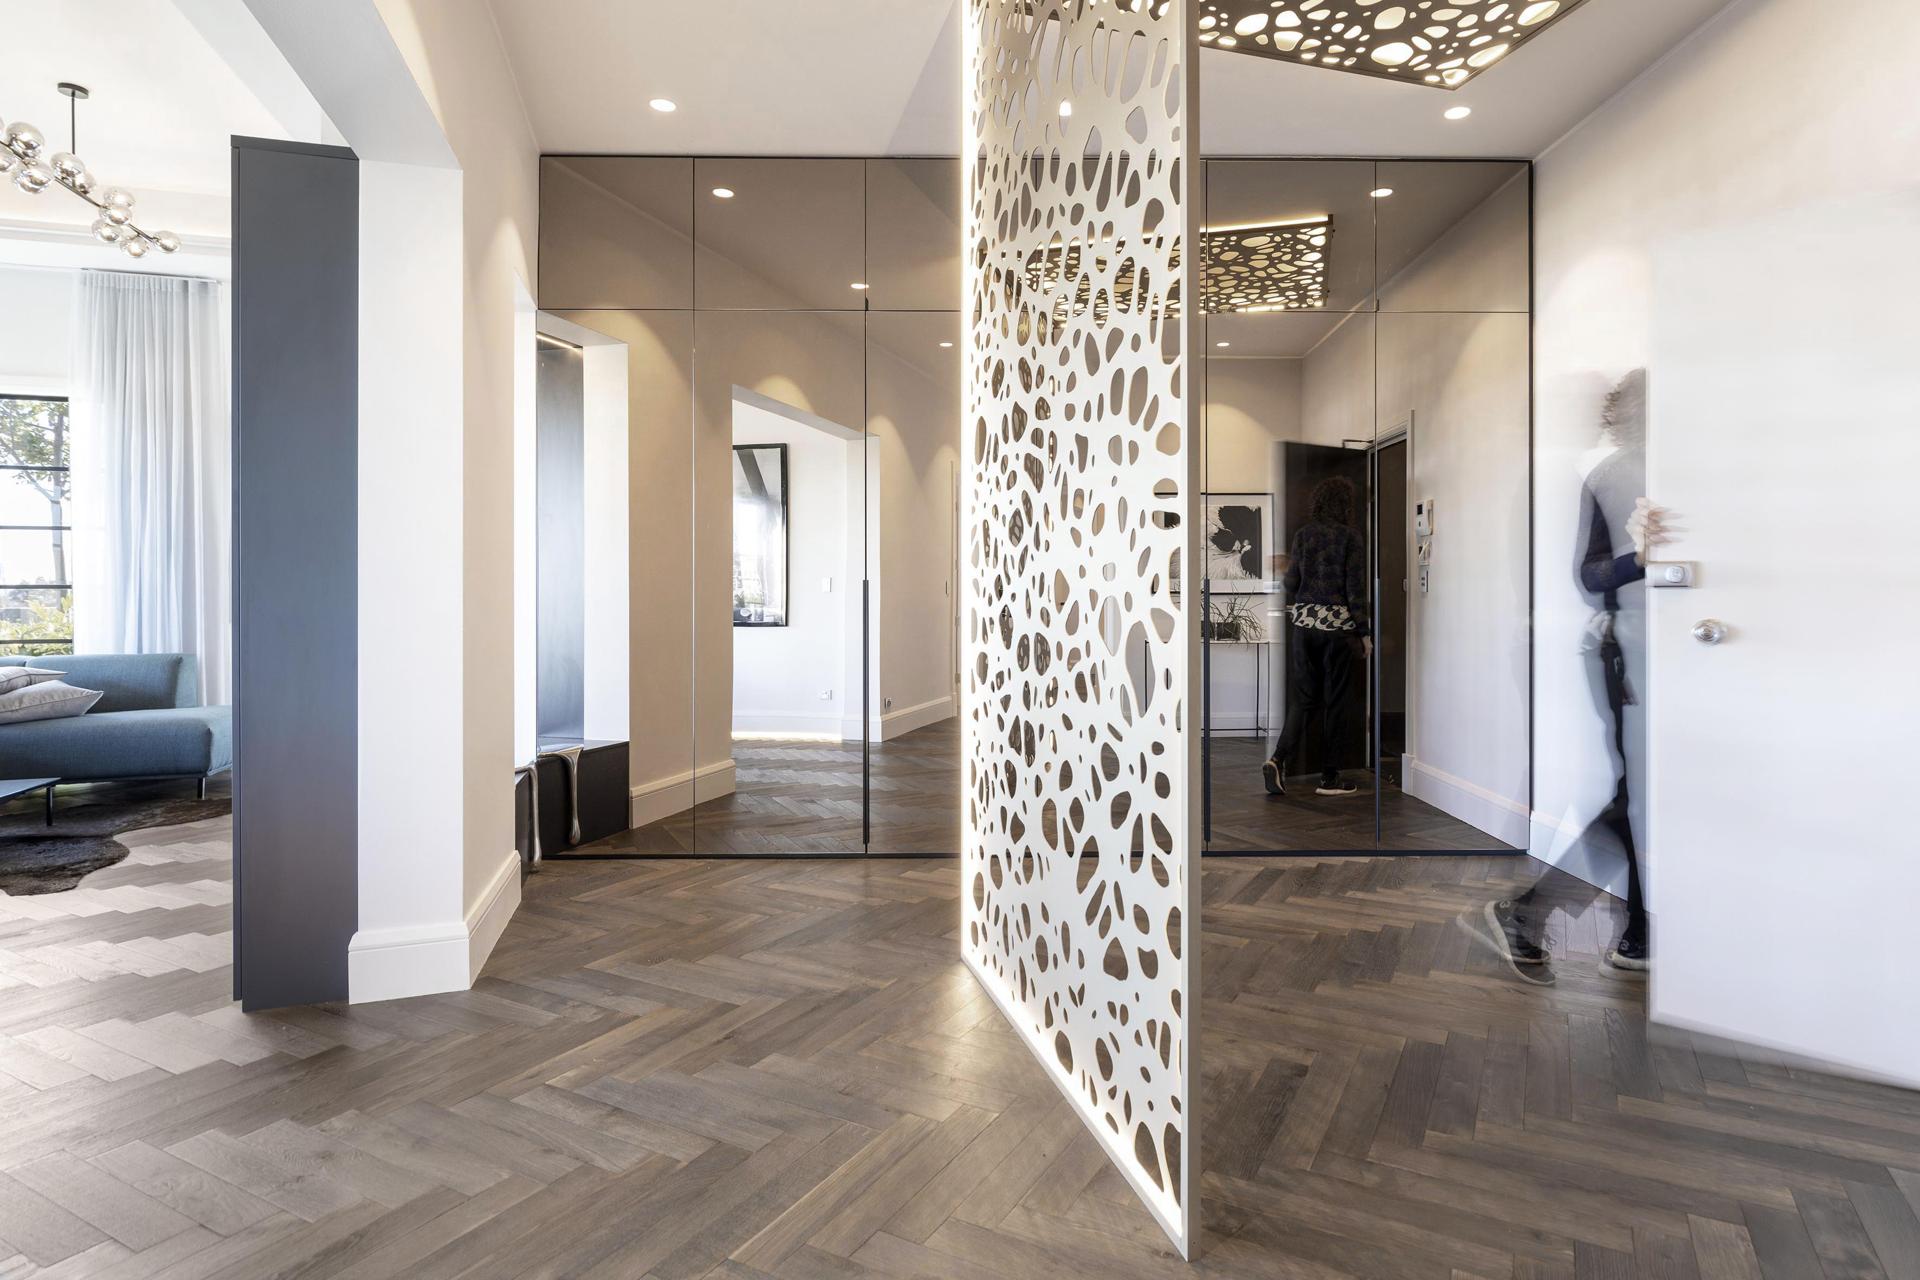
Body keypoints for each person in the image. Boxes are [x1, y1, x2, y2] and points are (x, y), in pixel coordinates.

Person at [1462, 369, 1668, 982]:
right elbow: (1590, 575)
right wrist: (1642, 559)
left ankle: (1631, 929)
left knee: (1644, 797)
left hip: (1673, 659)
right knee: (1638, 798)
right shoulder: (1612, 476)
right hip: (1627, 657)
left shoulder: (1696, 472)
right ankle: (1545, 916)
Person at [1263, 475, 1371, 798]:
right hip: (1337, 630)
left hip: (1304, 627)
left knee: (1304, 699)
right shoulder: (1350, 537)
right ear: (1346, 505)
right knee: (1335, 702)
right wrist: (1364, 633)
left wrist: (1289, 572)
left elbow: (1291, 584)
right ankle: (1330, 779)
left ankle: (1277, 759)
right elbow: (1355, 589)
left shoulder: (1303, 535)